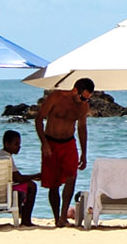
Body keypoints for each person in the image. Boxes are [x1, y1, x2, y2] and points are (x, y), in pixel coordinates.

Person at [36, 77, 93, 228]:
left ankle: (63, 216)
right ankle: (56, 218)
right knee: (53, 184)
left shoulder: (83, 106)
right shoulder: (56, 97)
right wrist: (44, 143)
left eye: (87, 99)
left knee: (71, 177)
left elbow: (82, 128)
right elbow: (39, 119)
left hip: (68, 142)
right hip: (51, 142)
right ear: (75, 90)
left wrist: (84, 153)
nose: (83, 101)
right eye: (82, 97)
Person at [0, 130, 42, 226]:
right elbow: (18, 178)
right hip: (4, 192)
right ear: (7, 144)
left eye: (19, 144)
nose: (19, 147)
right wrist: (35, 176)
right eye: (16, 144)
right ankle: (26, 220)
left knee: (26, 185)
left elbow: (15, 177)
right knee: (31, 186)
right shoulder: (6, 157)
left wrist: (32, 177)